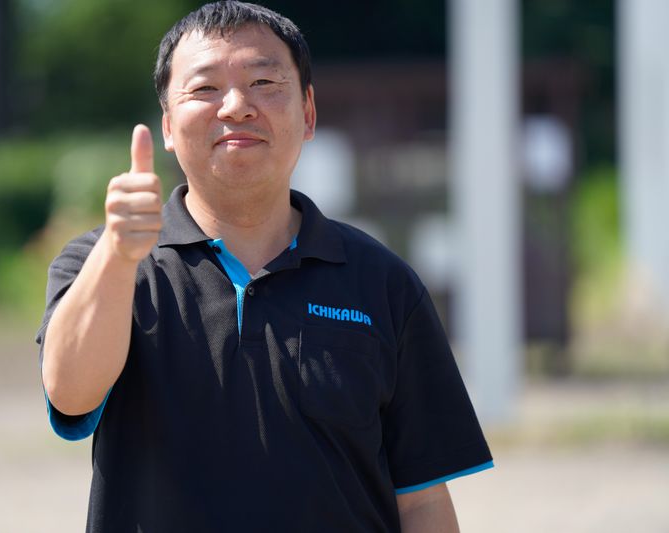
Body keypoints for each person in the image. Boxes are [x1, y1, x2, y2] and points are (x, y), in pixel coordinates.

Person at [36, 2, 493, 531]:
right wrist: (118, 257)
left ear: (309, 113)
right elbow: (70, 394)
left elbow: (422, 500)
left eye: (263, 82)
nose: (236, 106)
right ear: (167, 126)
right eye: (205, 88)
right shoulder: (100, 266)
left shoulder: (384, 282)